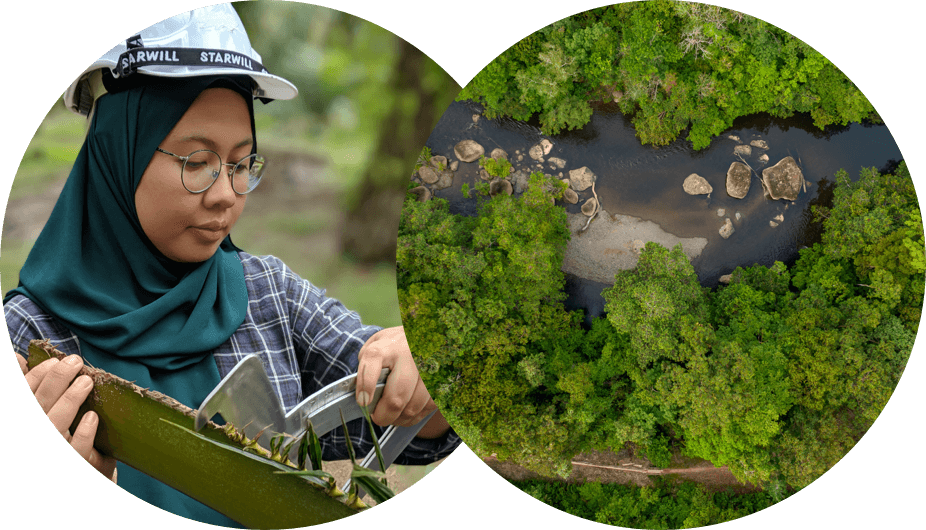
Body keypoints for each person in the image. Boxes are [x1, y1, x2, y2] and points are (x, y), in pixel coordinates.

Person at [5, 5, 457, 526]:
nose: (226, 195)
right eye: (196, 163)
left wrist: (420, 368)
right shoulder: (32, 338)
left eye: (242, 165)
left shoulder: (267, 295)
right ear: (117, 153)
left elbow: (412, 428)